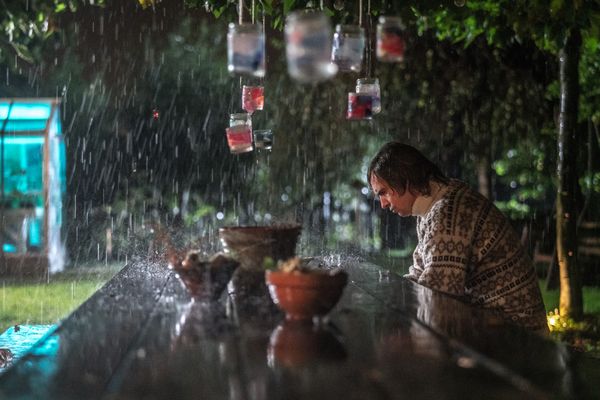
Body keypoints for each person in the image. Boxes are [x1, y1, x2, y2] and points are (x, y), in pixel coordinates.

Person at [368, 142, 548, 333]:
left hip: (517, 337)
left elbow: (436, 301)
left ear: (405, 179)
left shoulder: (446, 213)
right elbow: (421, 275)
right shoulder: (435, 204)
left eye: (384, 192)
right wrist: (386, 292)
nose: (383, 204)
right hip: (496, 326)